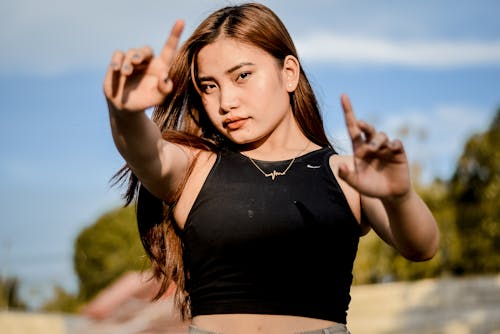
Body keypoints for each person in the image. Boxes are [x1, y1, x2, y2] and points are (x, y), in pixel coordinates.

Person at [104, 3, 439, 333]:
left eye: (242, 76)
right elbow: (147, 151)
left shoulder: (347, 174)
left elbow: (422, 247)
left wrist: (400, 196)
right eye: (209, 86)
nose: (226, 102)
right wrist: (126, 113)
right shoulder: (195, 166)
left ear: (288, 73)